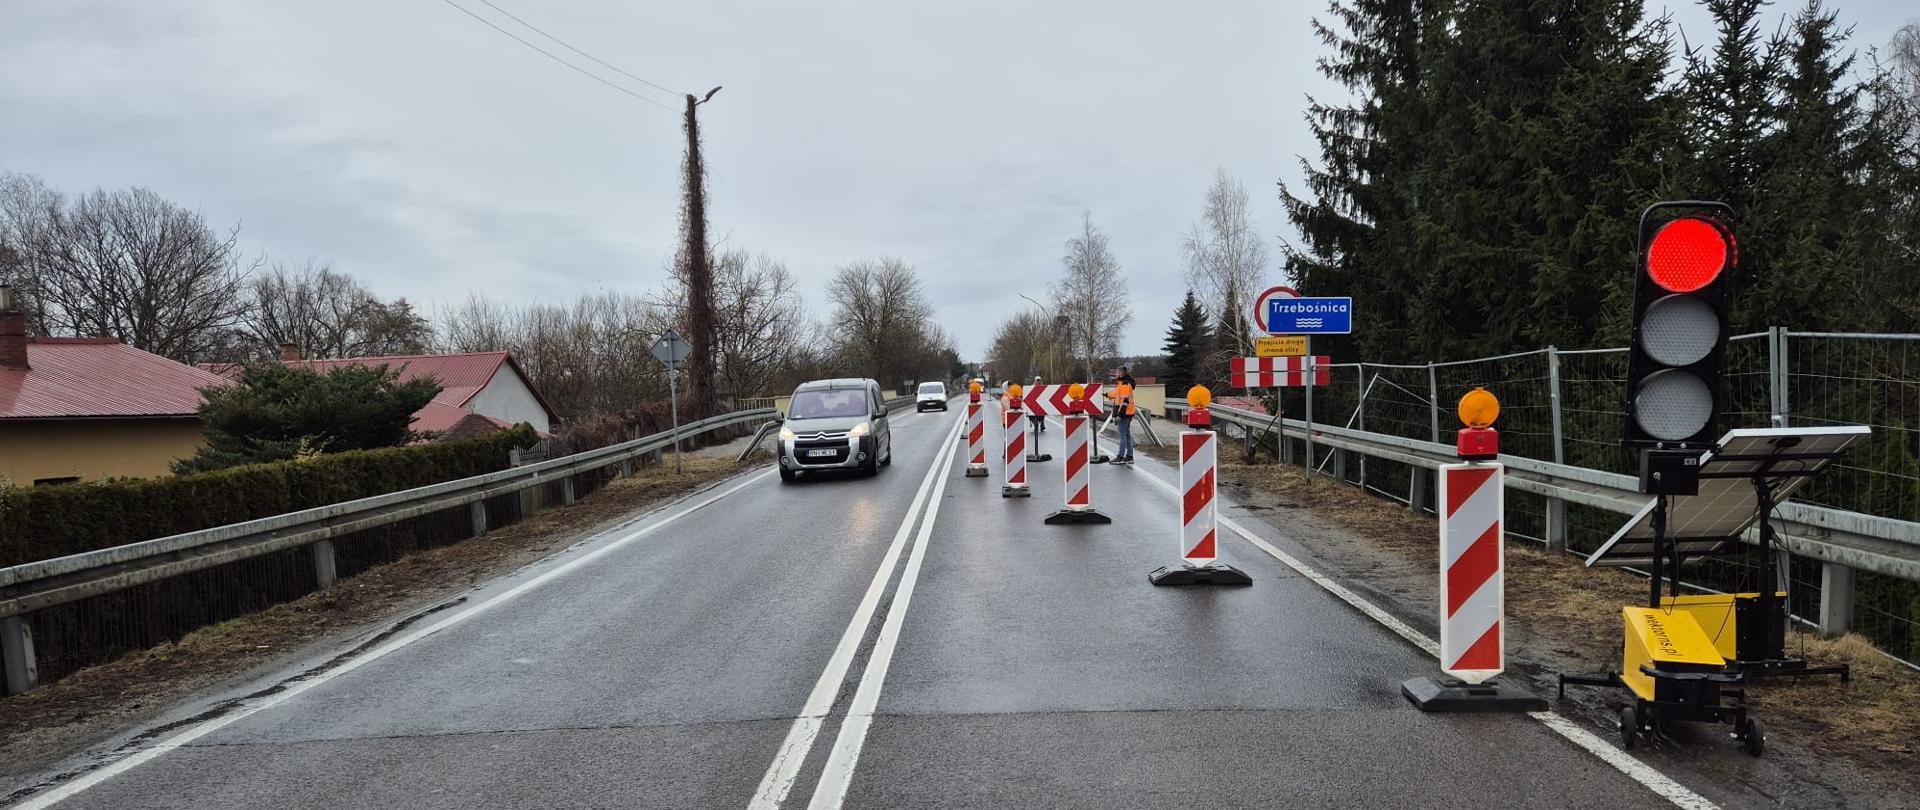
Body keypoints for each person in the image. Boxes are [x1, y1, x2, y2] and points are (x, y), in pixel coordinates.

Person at [1111, 377, 1136, 464]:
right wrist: (1107, 394)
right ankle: (1129, 456)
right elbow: (1116, 395)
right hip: (1127, 414)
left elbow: (1125, 401)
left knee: (1122, 436)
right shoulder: (1121, 385)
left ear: (1121, 373)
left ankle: (1120, 456)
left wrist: (1119, 415)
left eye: (1117, 372)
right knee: (1127, 435)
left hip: (1124, 414)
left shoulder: (1124, 385)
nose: (1116, 375)